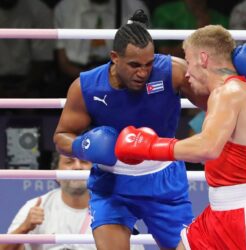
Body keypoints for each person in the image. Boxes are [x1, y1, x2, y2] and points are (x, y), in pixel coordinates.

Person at [115, 25, 246, 249]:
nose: (186, 72)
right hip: (220, 212)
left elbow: (208, 147)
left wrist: (149, 147)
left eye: (188, 61)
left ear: (203, 58)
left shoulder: (227, 93)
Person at [53, 9, 205, 250]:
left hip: (163, 179)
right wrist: (84, 145)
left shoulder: (171, 72)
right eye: (134, 65)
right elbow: (61, 137)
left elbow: (214, 99)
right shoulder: (87, 87)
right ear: (114, 57)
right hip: (112, 183)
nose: (143, 72)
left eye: (148, 64)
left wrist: (230, 76)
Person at [1, 153, 144, 250]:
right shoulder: (36, 206)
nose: (77, 167)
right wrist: (24, 228)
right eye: (69, 162)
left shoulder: (115, 212)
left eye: (84, 161)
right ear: (55, 172)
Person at [53, 0, 150, 95]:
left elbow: (142, 58)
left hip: (122, 76)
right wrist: (90, 80)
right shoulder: (64, 7)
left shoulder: (136, 8)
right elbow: (63, 62)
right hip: (75, 75)